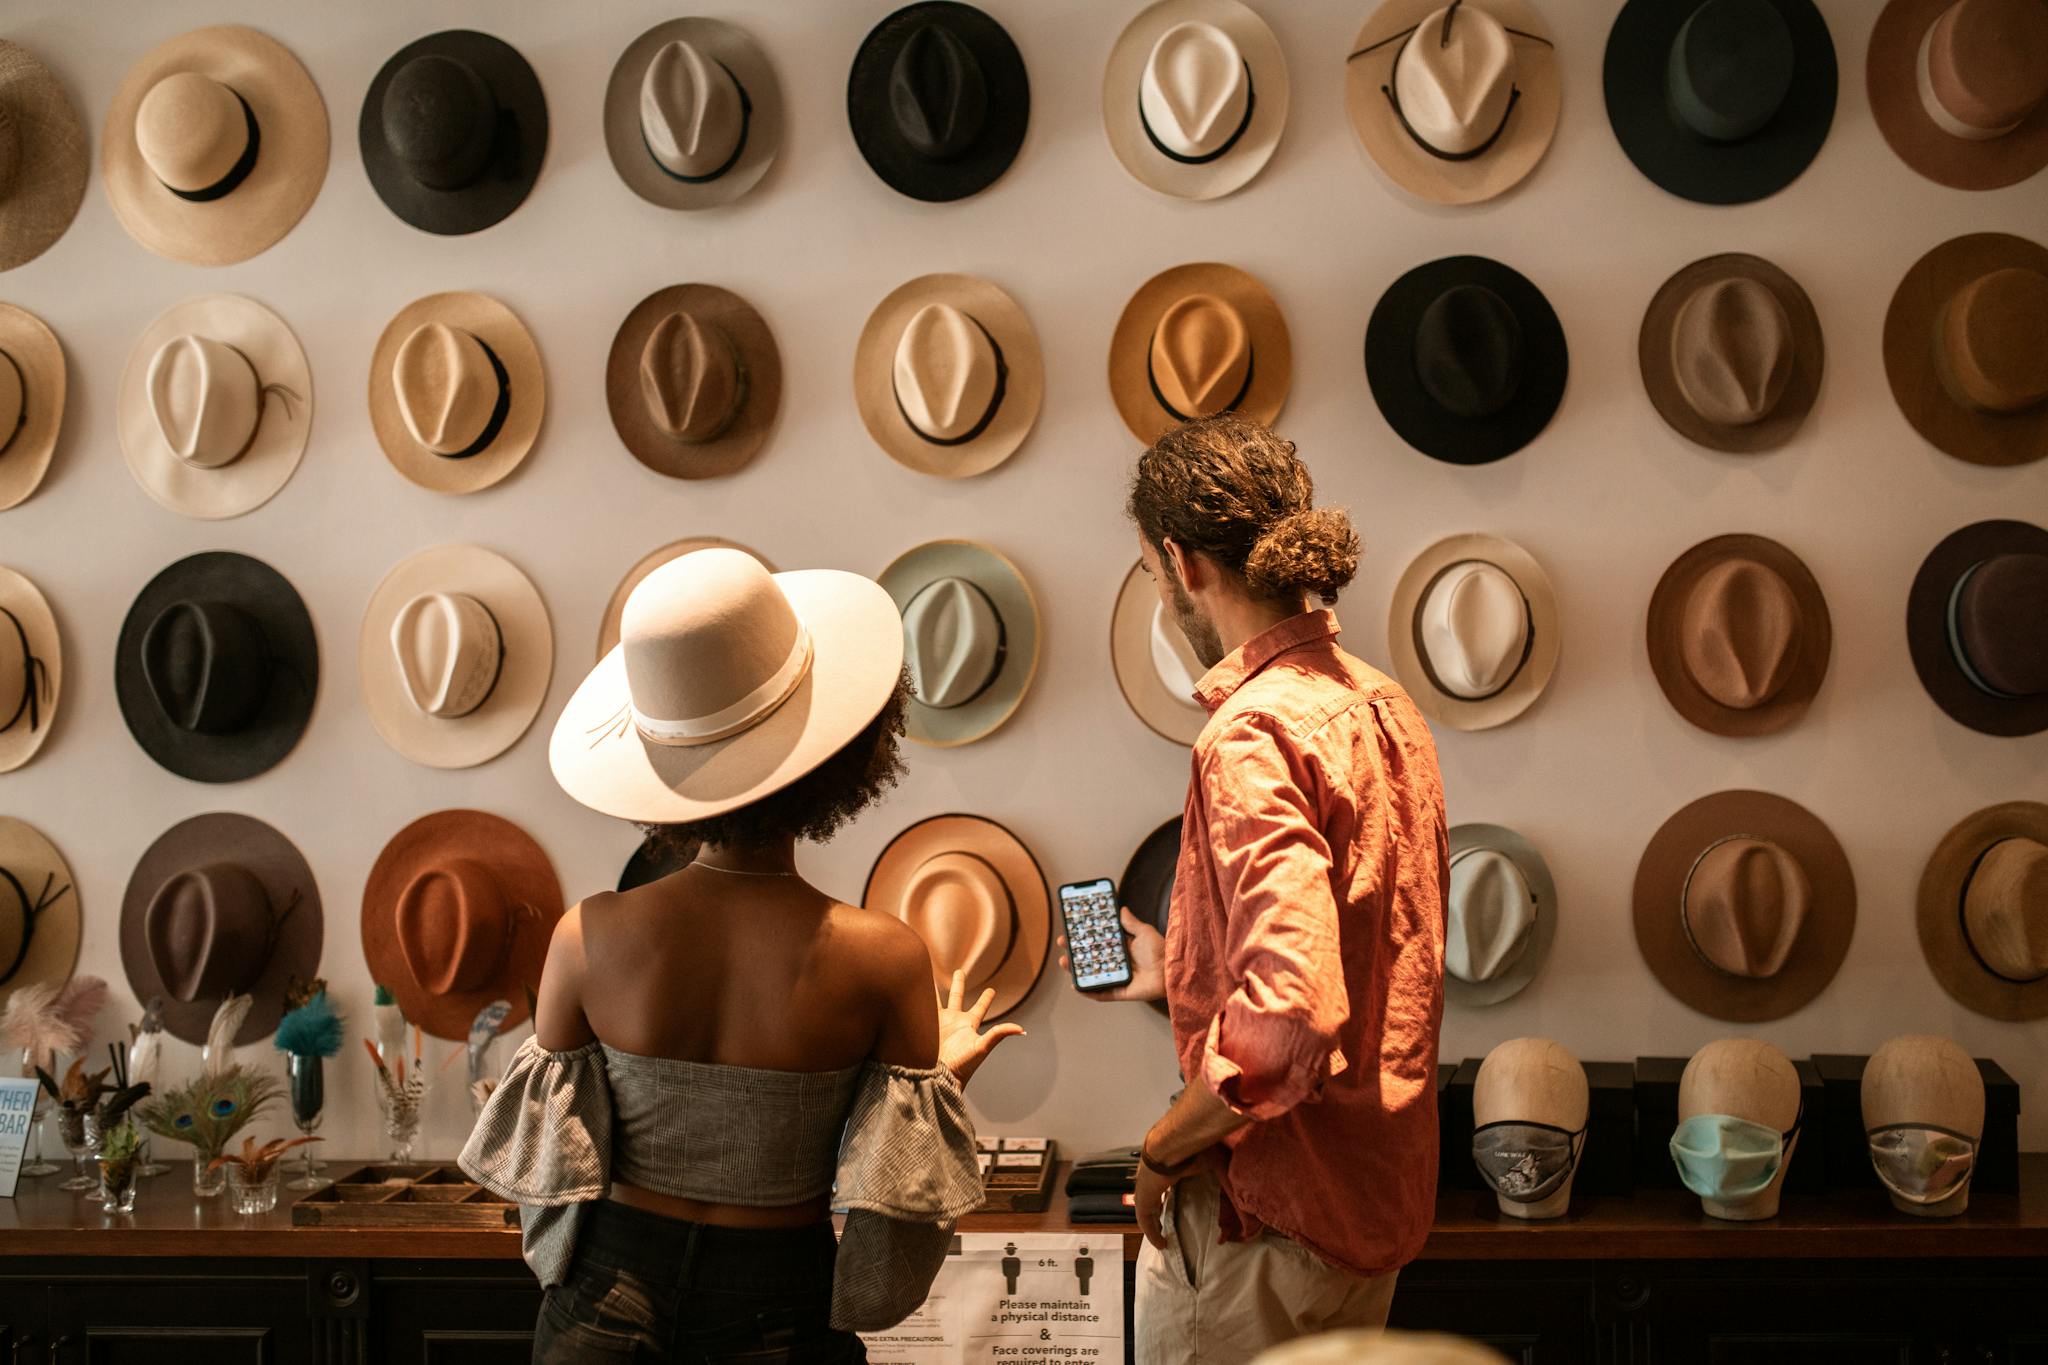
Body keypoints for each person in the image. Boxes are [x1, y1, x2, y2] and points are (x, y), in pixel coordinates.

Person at [460, 548, 1022, 1363]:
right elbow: (892, 1189)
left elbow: (553, 1171)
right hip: (779, 1309)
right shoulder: (884, 958)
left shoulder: (586, 936)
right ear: (839, 755)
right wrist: (947, 1078)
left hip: (603, 1305)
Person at [1074, 414, 1448, 1363]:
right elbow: (1368, 950)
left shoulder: (1251, 734)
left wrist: (1161, 1148)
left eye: (1157, 578)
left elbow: (1289, 1022)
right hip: (1364, 1211)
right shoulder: (1381, 703)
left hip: (1265, 1234)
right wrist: (1191, 972)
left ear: (1179, 562)